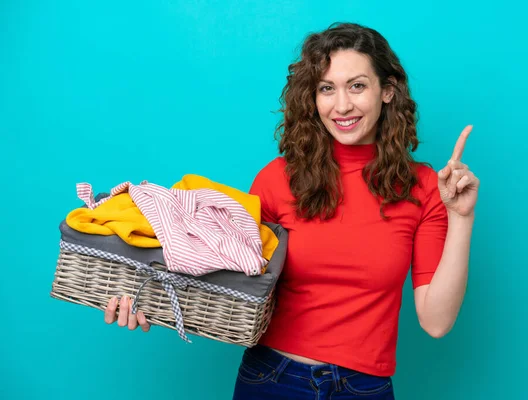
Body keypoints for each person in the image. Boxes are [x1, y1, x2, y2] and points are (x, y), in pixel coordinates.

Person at [104, 22, 479, 399]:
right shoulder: (278, 179)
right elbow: (226, 280)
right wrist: (145, 298)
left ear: (388, 91)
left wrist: (461, 218)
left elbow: (436, 321)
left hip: (365, 388)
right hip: (272, 380)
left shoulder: (425, 187)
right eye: (326, 88)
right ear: (312, 98)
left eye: (357, 86)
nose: (342, 105)